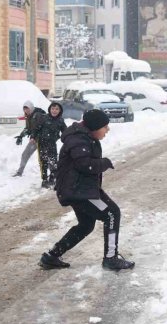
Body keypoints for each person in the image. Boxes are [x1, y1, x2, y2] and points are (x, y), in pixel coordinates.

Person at [38, 109, 135, 271]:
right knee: (112, 214)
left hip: (81, 189)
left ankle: (52, 256)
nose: (107, 129)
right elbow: (85, 164)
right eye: (105, 126)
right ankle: (111, 258)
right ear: (95, 127)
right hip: (80, 192)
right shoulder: (78, 140)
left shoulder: (83, 137)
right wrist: (105, 163)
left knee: (86, 225)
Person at [32, 102, 67, 188]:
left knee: (54, 161)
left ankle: (52, 178)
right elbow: (36, 128)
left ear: (60, 111)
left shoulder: (60, 121)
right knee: (43, 161)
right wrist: (33, 137)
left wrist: (68, 138)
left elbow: (65, 131)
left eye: (56, 109)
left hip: (52, 143)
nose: (54, 111)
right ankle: (44, 180)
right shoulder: (44, 118)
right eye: (52, 109)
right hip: (42, 142)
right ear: (50, 109)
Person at [13, 101, 45, 177]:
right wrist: (21, 136)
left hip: (43, 139)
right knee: (25, 154)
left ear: (31, 107)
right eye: (24, 109)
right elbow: (28, 129)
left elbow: (39, 127)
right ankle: (19, 172)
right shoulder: (28, 116)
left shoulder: (38, 115)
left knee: (44, 158)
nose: (26, 111)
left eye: (27, 108)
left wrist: (33, 136)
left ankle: (50, 176)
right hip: (34, 139)